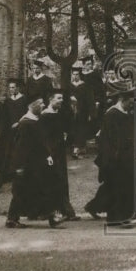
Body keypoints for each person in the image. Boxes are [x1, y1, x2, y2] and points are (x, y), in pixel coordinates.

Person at [86, 82, 136, 227]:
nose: (132, 105)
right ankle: (116, 218)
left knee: (126, 185)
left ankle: (127, 213)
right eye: (130, 102)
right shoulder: (111, 114)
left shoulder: (126, 114)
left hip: (127, 157)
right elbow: (106, 139)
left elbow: (131, 135)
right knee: (117, 187)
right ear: (123, 100)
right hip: (115, 159)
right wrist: (113, 158)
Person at [5, 95, 63, 229]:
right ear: (32, 106)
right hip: (27, 165)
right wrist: (19, 167)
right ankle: (12, 219)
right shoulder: (26, 123)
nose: (43, 105)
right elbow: (20, 148)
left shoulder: (34, 121)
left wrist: (47, 156)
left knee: (41, 189)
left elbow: (40, 143)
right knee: (22, 191)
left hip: (36, 164)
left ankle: (51, 216)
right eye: (41, 103)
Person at [40, 89, 81, 221]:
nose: (61, 100)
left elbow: (67, 130)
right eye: (58, 98)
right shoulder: (45, 116)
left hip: (59, 152)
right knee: (53, 181)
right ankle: (57, 211)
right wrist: (48, 154)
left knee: (61, 180)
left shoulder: (58, 114)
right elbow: (43, 138)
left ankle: (64, 211)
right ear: (51, 99)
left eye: (62, 98)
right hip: (50, 153)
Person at [0, 80, 29, 190]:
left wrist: (19, 122)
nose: (12, 90)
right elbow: (4, 118)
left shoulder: (24, 99)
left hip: (22, 129)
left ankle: (23, 174)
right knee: (9, 152)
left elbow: (27, 114)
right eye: (10, 88)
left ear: (18, 88)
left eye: (14, 87)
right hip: (10, 131)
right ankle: (9, 175)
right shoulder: (7, 101)